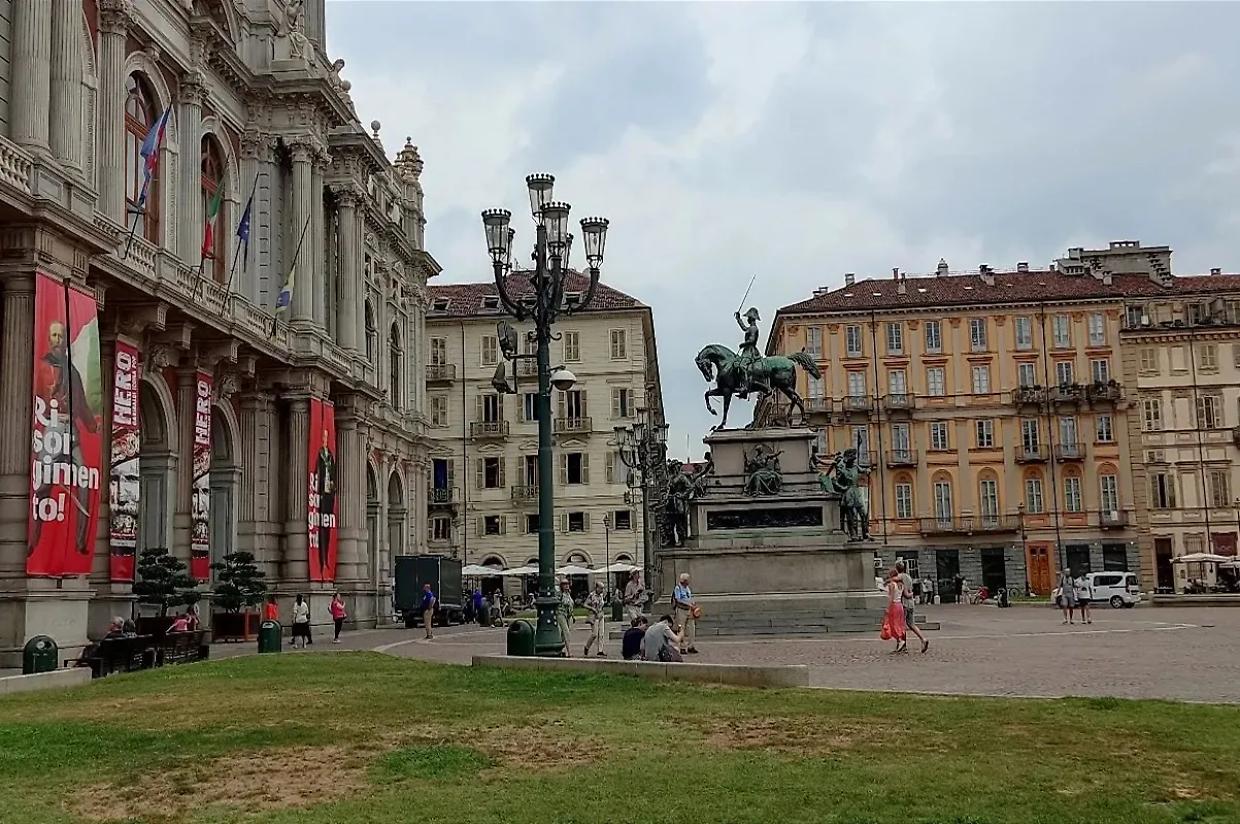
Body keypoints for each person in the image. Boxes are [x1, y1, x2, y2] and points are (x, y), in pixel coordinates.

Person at [895, 561, 929, 654]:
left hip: (904, 603)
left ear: (896, 569)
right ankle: (923, 639)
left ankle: (903, 645)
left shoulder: (899, 577)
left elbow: (904, 593)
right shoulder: (908, 577)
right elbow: (910, 590)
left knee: (901, 625)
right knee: (911, 624)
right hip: (911, 603)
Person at [882, 569, 908, 653]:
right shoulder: (901, 584)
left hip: (894, 605)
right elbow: (906, 594)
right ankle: (900, 643)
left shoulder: (892, 585)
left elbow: (891, 597)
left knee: (893, 625)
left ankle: (900, 640)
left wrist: (887, 608)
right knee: (900, 624)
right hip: (900, 605)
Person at [672, 573, 698, 654]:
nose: (689, 582)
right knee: (681, 628)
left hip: (689, 610)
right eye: (687, 580)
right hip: (681, 610)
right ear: (684, 581)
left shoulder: (687, 588)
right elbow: (678, 599)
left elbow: (689, 597)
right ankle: (682, 647)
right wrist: (688, 603)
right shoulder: (678, 588)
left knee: (692, 627)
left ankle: (691, 646)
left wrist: (692, 603)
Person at [583, 581, 607, 657]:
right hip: (594, 616)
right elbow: (585, 604)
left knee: (601, 633)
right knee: (595, 634)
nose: (602, 590)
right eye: (601, 588)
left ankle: (600, 650)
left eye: (603, 588)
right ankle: (587, 647)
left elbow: (602, 604)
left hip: (601, 615)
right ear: (597, 588)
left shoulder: (602, 595)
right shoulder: (592, 595)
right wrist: (592, 608)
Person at [557, 578, 575, 656]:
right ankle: (569, 652)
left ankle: (559, 650)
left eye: (567, 584)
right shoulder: (560, 594)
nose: (567, 585)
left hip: (568, 615)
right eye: (564, 584)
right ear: (561, 586)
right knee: (566, 632)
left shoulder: (568, 594)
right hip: (561, 614)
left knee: (563, 635)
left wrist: (573, 615)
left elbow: (570, 605)